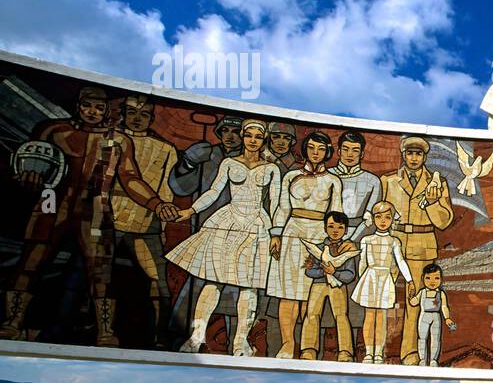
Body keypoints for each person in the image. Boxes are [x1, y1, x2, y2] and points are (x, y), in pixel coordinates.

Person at [0, 85, 182, 346]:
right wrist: (29, 177)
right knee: (32, 261)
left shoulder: (118, 141)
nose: (93, 111)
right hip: (53, 204)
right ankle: (12, 322)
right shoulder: (53, 130)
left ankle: (105, 331)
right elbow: (26, 161)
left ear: (107, 109)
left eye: (99, 107)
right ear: (79, 105)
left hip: (95, 209)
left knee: (101, 272)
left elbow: (130, 178)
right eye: (88, 105)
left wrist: (155, 203)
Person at [167, 119, 282, 356]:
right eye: (248, 135)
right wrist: (191, 210)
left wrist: (276, 233)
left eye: (258, 137)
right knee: (213, 280)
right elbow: (213, 192)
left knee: (249, 285)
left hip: (257, 224)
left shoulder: (271, 169)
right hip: (228, 222)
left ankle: (240, 342)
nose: (252, 141)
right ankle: (196, 337)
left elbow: (277, 203)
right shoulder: (229, 163)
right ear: (242, 137)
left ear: (263, 140)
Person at [110, 94, 180, 349]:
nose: (137, 119)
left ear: (151, 118)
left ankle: (159, 334)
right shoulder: (110, 140)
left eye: (143, 115)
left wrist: (161, 227)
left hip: (145, 221)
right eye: (131, 113)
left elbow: (166, 191)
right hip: (109, 217)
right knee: (102, 278)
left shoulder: (166, 149)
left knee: (157, 280)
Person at [268, 132, 344, 358]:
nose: (315, 153)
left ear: (327, 152)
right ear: (305, 150)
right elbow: (282, 207)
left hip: (318, 235)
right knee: (288, 292)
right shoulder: (291, 176)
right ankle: (287, 343)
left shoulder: (333, 181)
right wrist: (276, 234)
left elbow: (336, 214)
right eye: (311, 148)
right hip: (293, 231)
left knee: (309, 294)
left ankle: (305, 345)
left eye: (320, 149)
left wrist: (332, 244)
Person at [380, 136, 454, 364]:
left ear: (425, 156)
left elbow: (444, 220)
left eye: (418, 154)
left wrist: (432, 203)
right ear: (403, 154)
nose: (414, 158)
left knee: (416, 301)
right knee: (381, 297)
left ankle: (411, 354)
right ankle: (376, 350)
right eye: (410, 153)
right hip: (393, 241)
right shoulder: (388, 181)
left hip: (423, 243)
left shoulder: (436, 182)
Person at [352, 201, 413, 363]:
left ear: (393, 219)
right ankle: (368, 352)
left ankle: (378, 352)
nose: (383, 221)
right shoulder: (367, 239)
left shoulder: (394, 241)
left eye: (387, 217)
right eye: (378, 217)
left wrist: (409, 279)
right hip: (370, 278)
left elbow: (400, 262)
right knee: (369, 316)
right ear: (373, 219)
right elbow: (362, 263)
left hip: (385, 279)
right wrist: (362, 281)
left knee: (381, 317)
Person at [300, 211, 359, 361]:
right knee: (312, 314)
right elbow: (309, 270)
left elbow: (350, 274)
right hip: (319, 285)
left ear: (345, 230)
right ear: (325, 228)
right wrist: (323, 271)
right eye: (331, 226)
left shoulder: (348, 250)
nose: (335, 231)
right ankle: (309, 349)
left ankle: (345, 352)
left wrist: (335, 273)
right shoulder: (317, 248)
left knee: (341, 316)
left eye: (340, 228)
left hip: (338, 287)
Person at [406, 263, 456, 366]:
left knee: (435, 339)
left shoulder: (441, 293)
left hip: (436, 317)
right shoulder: (422, 292)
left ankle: (433, 360)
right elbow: (413, 302)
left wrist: (447, 318)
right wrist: (410, 295)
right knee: (422, 338)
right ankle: (422, 359)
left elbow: (444, 306)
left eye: (436, 278)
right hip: (424, 316)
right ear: (422, 278)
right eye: (428, 278)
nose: (432, 282)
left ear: (441, 279)